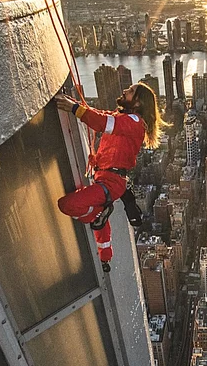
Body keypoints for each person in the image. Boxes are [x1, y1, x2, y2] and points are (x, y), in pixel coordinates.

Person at [55, 83, 167, 272]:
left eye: (130, 91)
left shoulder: (134, 121)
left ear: (138, 103)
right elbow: (97, 114)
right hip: (104, 177)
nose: (124, 90)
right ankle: (105, 252)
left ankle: (97, 213)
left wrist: (74, 108)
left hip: (112, 182)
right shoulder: (122, 117)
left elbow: (101, 122)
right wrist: (73, 102)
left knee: (67, 204)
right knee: (96, 217)